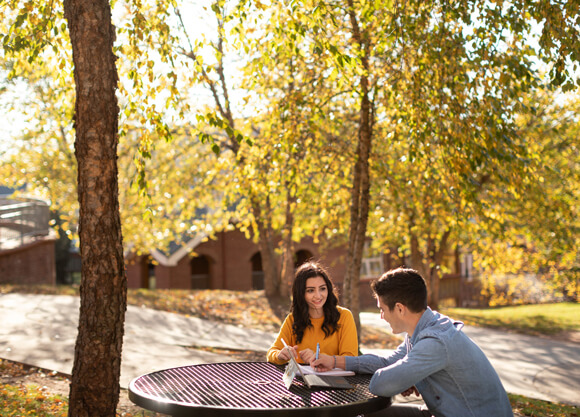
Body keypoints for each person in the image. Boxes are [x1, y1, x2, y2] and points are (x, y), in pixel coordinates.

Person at [312, 267, 513, 417]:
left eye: (382, 309)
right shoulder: (424, 327)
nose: (381, 316)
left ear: (400, 308)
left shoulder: (434, 342)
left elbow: (381, 384)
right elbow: (387, 364)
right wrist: (336, 361)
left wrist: (405, 378)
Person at [267, 260, 358, 366]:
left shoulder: (344, 316)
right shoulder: (292, 319)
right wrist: (280, 355)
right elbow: (271, 353)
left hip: (335, 380)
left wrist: (318, 358)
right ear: (301, 293)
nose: (318, 295)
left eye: (322, 289)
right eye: (310, 290)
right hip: (302, 380)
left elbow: (350, 358)